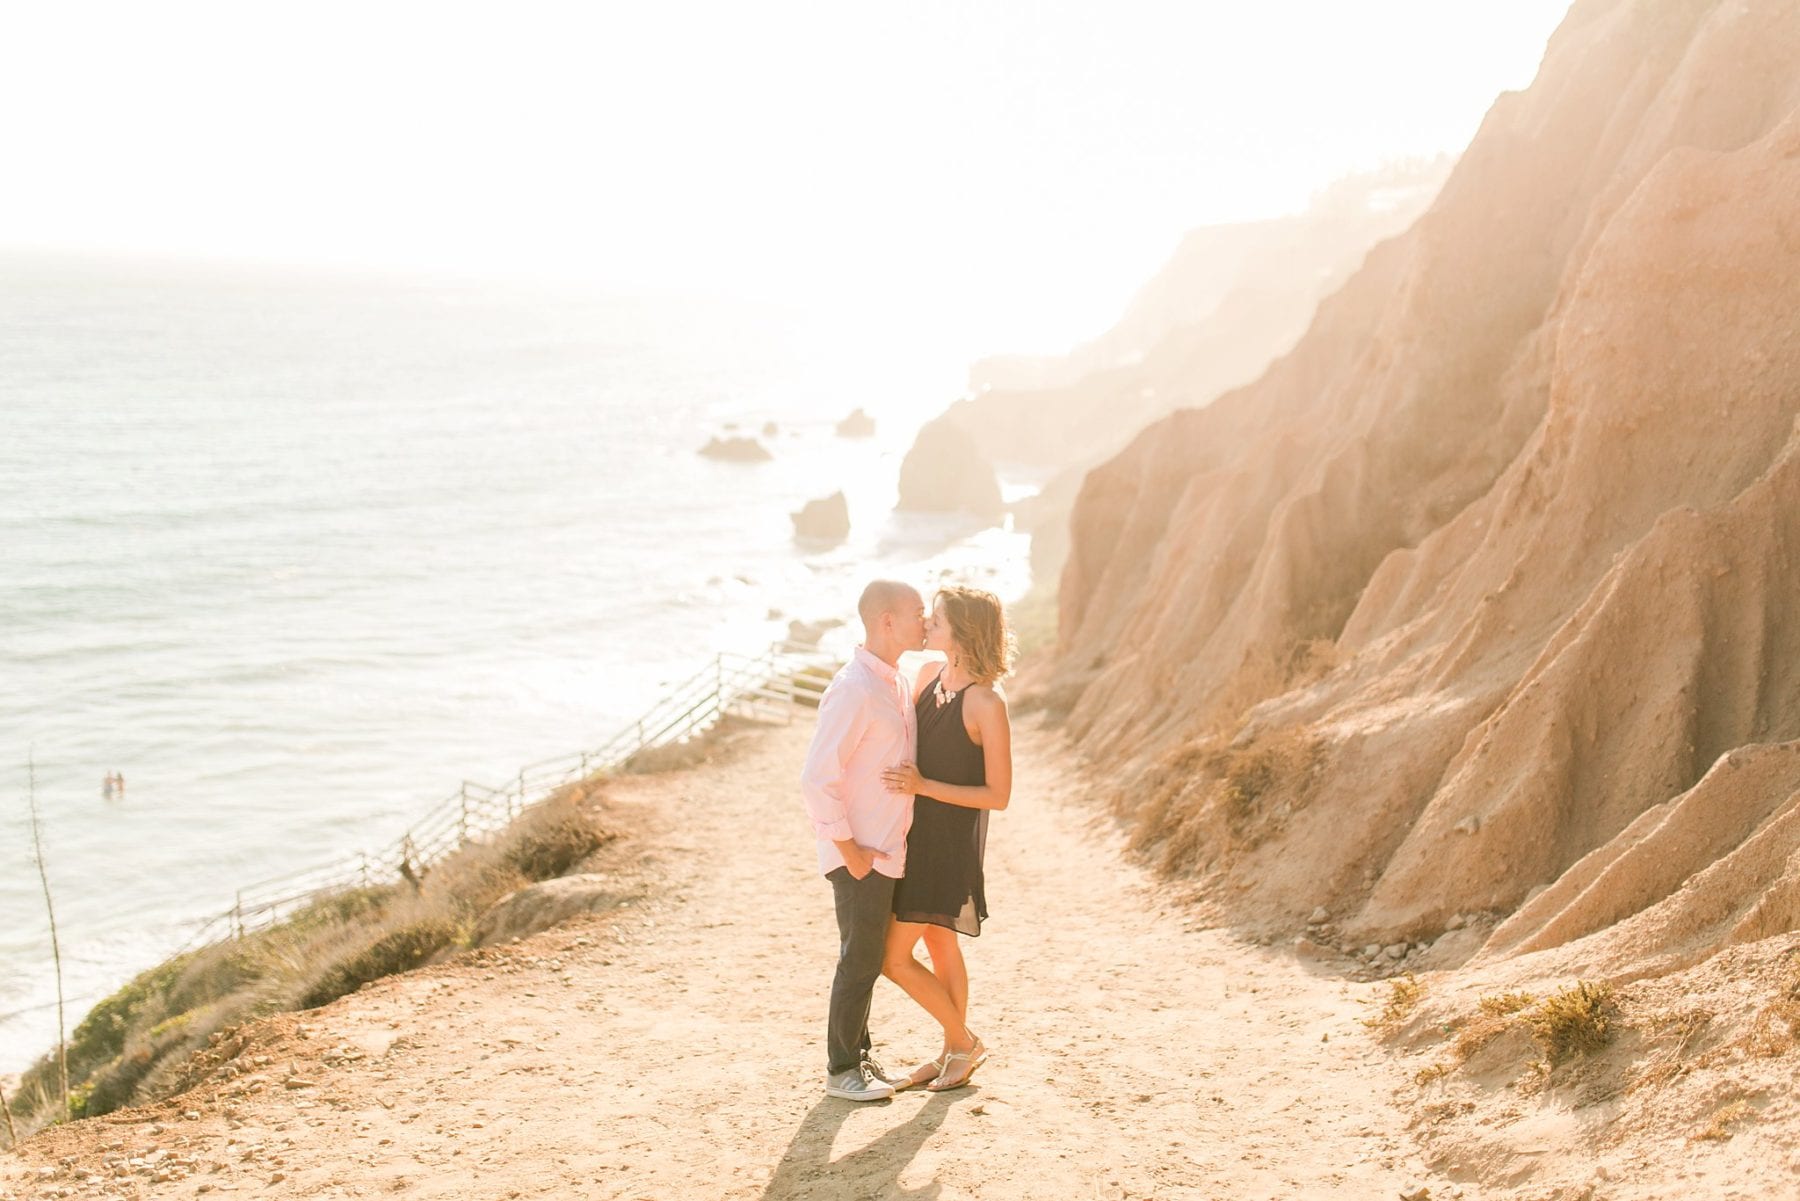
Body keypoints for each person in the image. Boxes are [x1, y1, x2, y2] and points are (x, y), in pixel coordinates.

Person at [880, 585, 1013, 1093]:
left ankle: (964, 1041)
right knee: (940, 946)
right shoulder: (925, 675)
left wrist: (923, 787)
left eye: (936, 618)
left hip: (946, 845)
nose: (926, 624)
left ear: (963, 630)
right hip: (912, 835)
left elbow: (998, 795)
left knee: (890, 959)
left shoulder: (986, 703)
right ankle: (952, 1051)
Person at [799, 579, 926, 1102]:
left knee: (869, 957)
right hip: (860, 852)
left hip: (886, 848)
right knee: (859, 958)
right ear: (887, 621)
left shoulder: (894, 682)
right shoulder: (854, 688)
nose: (925, 621)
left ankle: (861, 1057)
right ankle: (841, 1069)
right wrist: (848, 851)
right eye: (918, 612)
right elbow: (816, 777)